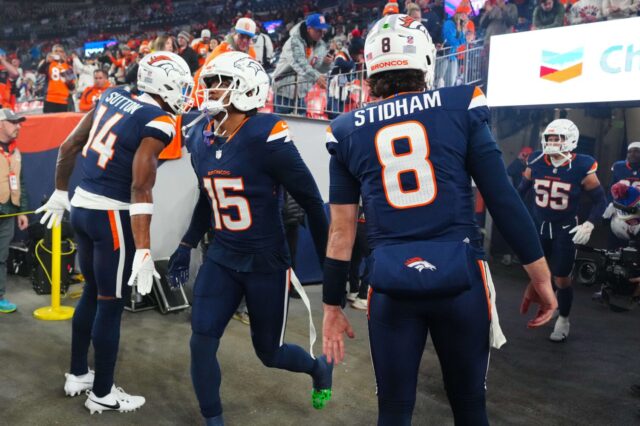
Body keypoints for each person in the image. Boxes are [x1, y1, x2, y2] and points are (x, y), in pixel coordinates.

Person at [321, 14, 557, 426]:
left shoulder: (345, 129)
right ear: (426, 59)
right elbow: (501, 198)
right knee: (469, 406)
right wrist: (540, 276)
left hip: (391, 284)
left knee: (393, 411)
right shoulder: (459, 105)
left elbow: (341, 232)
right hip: (461, 277)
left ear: (372, 67)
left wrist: (330, 306)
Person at [166, 52, 332, 425]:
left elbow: (309, 198)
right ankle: (214, 420)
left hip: (265, 261)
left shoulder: (266, 135)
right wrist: (186, 244)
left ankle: (317, 368)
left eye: (218, 82)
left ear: (247, 89)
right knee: (201, 341)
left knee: (268, 352)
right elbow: (208, 198)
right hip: (222, 257)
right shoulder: (199, 138)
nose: (209, 90)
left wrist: (330, 264)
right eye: (208, 82)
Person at [36, 52, 193, 414]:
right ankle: (102, 392)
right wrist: (143, 250)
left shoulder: (111, 94)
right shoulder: (160, 120)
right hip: (112, 217)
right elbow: (141, 188)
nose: (184, 93)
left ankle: (78, 373)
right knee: (111, 303)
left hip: (82, 206)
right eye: (181, 85)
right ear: (164, 83)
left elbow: (68, 145)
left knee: (92, 291)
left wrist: (61, 192)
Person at [519, 119, 607, 342]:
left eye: (558, 138)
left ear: (570, 140)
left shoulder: (582, 165)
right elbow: (518, 193)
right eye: (550, 137)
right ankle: (553, 304)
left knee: (561, 277)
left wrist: (589, 223)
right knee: (539, 273)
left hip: (565, 229)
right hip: (539, 226)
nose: (552, 142)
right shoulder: (537, 160)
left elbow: (600, 201)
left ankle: (564, 319)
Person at [272, 13, 334, 115]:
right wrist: (316, 77)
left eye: (323, 30)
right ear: (309, 28)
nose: (322, 34)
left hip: (301, 92)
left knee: (301, 123)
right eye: (319, 30)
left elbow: (318, 67)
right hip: (284, 91)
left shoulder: (319, 44)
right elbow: (299, 63)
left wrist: (326, 63)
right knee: (282, 124)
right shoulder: (294, 41)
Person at [0, 108, 29, 314]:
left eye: (19, 122)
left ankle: (0, 297)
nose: (18, 126)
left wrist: (22, 212)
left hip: (8, 212)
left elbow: (21, 183)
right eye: (13, 122)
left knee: (1, 257)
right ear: (1, 124)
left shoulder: (16, 152)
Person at [38, 44, 76, 113]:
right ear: (52, 53)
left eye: (60, 51)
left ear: (64, 53)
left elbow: (72, 87)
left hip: (64, 100)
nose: (58, 53)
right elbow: (40, 70)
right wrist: (46, 61)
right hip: (50, 99)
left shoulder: (67, 66)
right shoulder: (48, 63)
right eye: (56, 51)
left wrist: (69, 81)